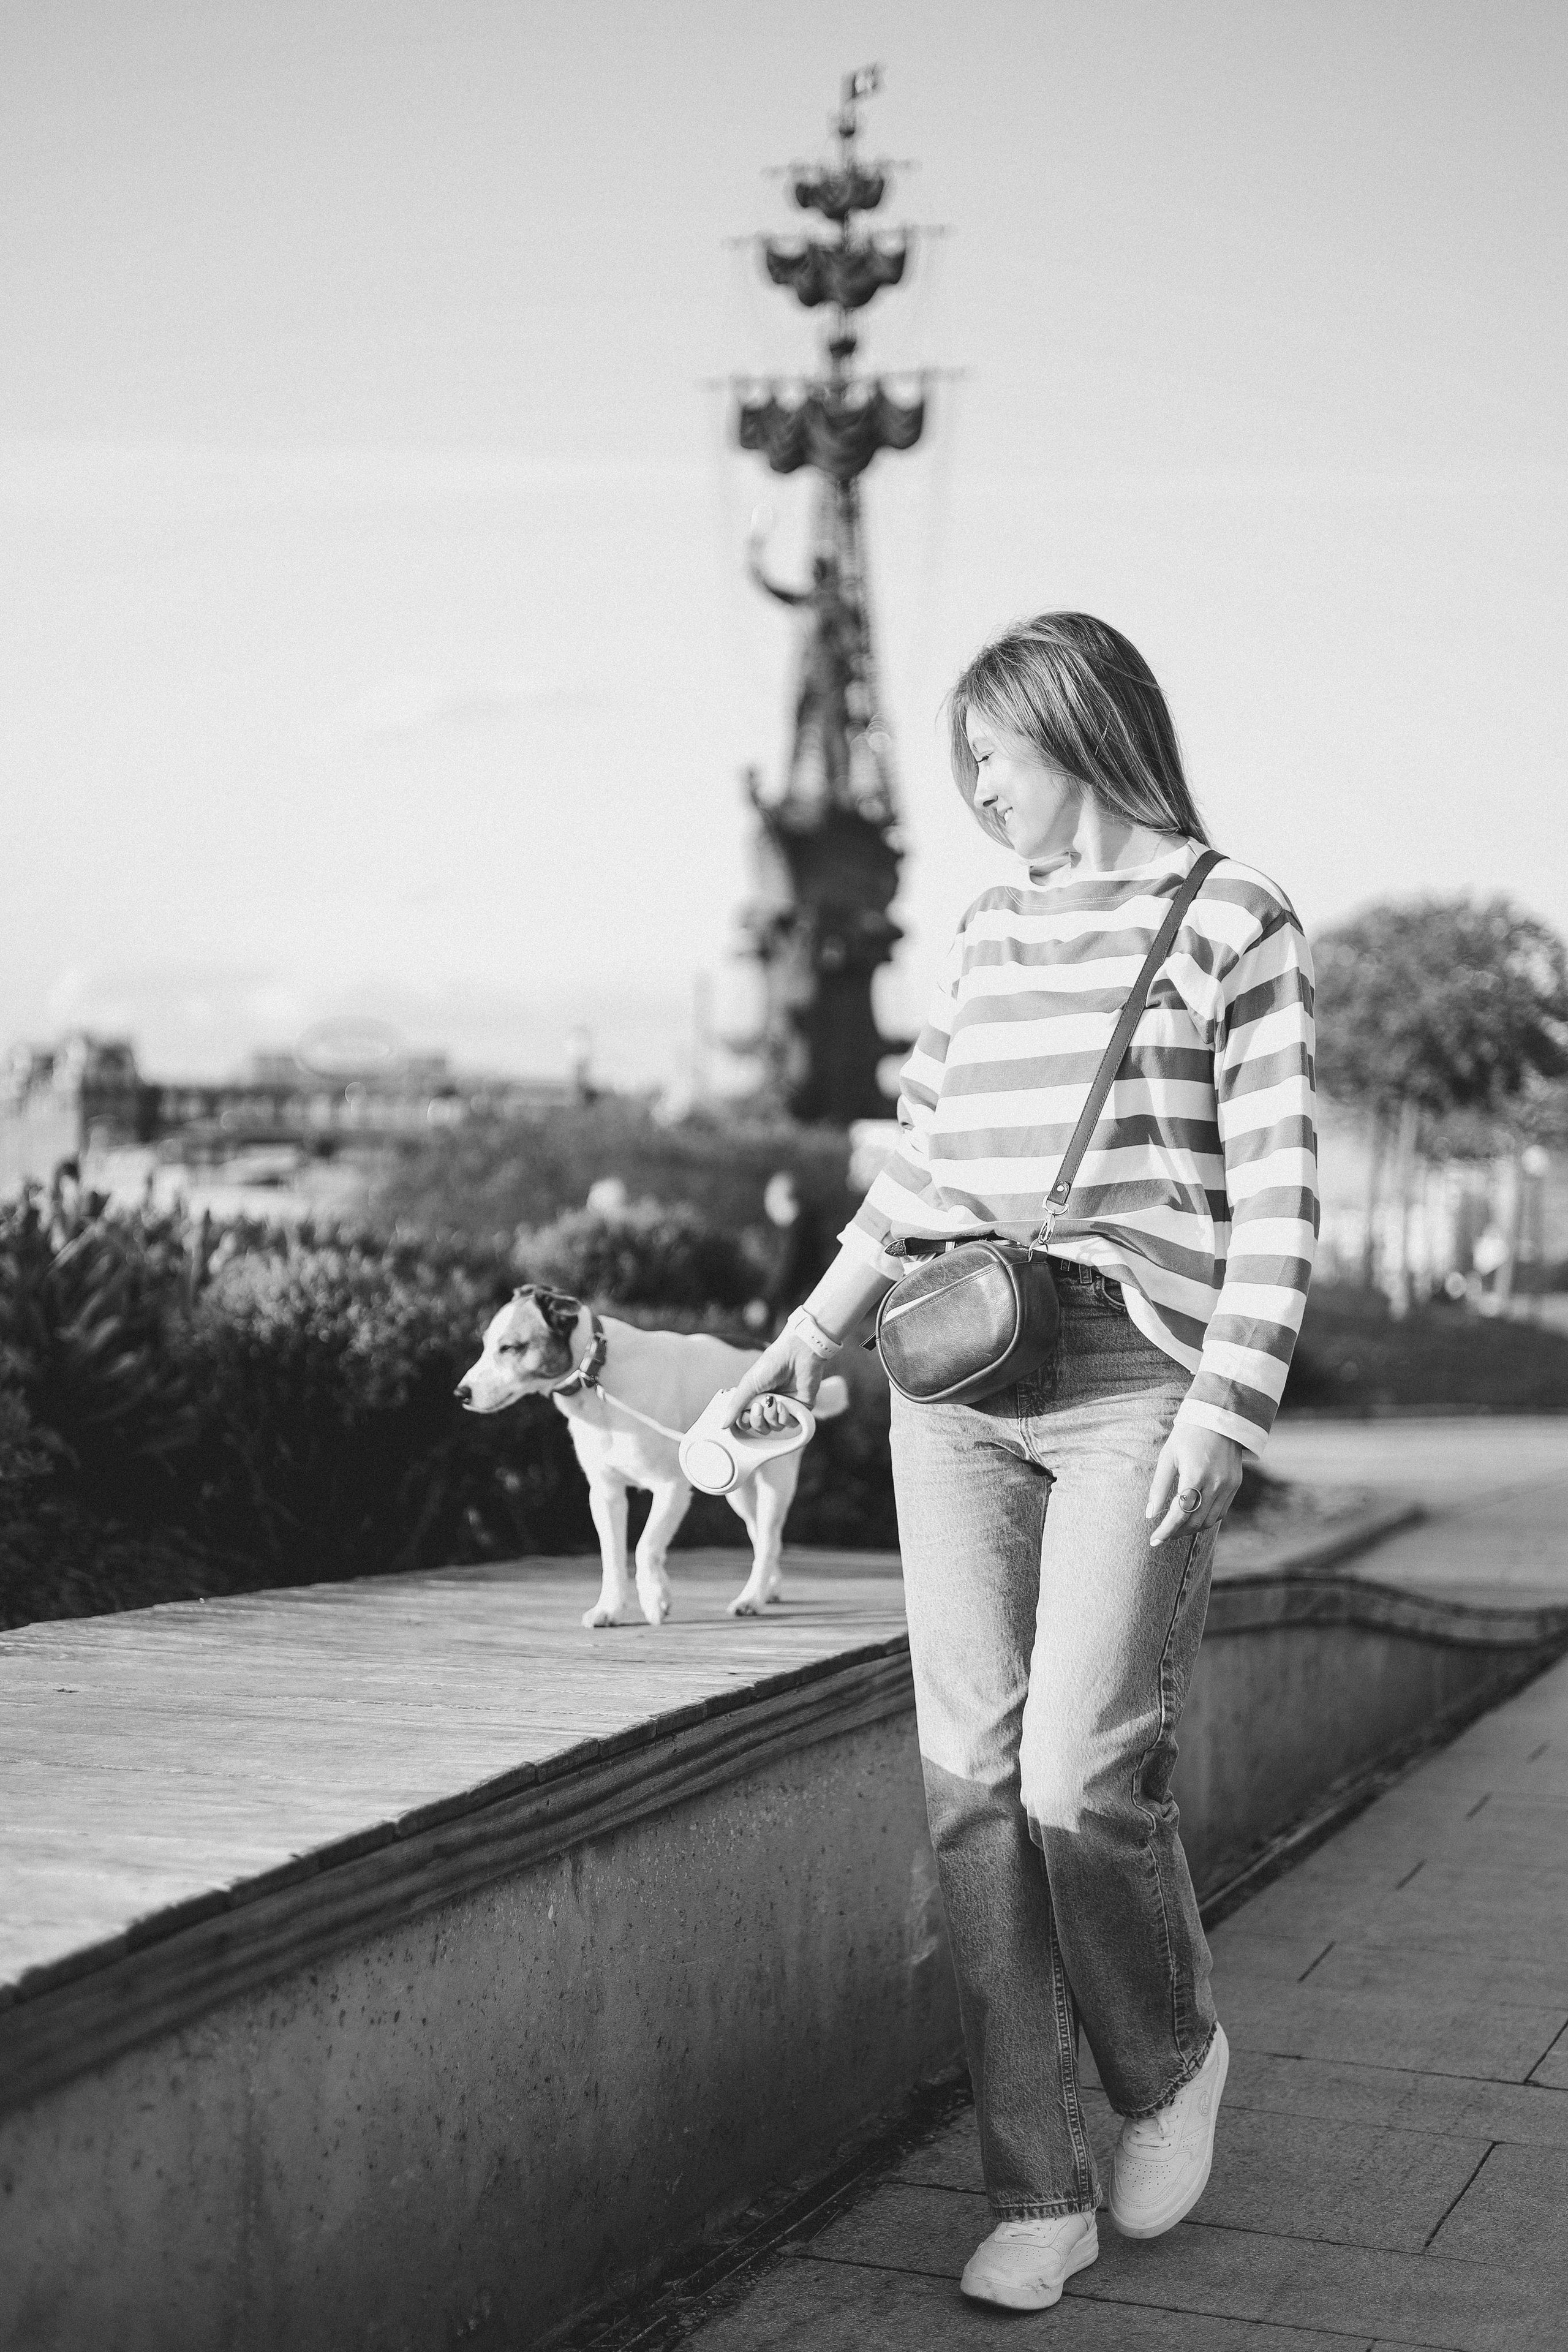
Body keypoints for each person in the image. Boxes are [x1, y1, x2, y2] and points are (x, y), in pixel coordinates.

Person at [724, 612, 1317, 2313]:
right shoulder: (994, 931)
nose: (977, 791)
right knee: (972, 1793)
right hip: (956, 1371)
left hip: (1138, 1375)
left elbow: (1279, 1186)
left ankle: (1173, 2053)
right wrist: (803, 1341)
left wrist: (1225, 1409)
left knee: (1078, 1781)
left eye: (994, 754)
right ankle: (1037, 2192)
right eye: (965, 764)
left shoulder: (1235, 916)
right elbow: (919, 1163)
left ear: (1079, 726)